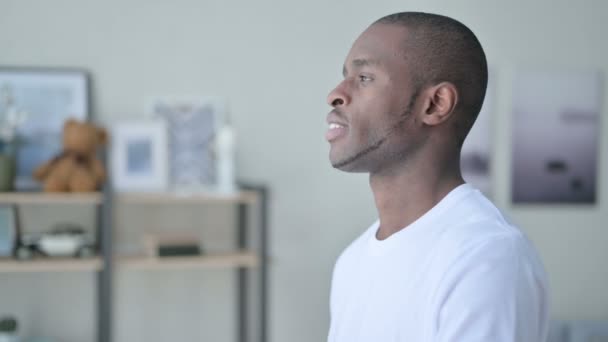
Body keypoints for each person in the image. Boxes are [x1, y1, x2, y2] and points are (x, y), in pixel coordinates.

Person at [325, 12, 549, 342]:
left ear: (435, 104)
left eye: (364, 78)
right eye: (346, 76)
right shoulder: (352, 260)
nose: (335, 94)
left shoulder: (485, 257)